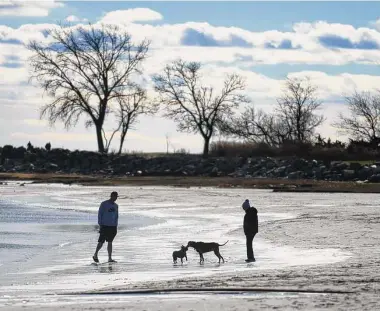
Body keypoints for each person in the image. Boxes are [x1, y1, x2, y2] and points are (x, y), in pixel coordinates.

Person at [93, 191, 119, 263]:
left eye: (116, 197)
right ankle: (95, 254)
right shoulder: (104, 204)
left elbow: (116, 216)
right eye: (115, 196)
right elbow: (100, 214)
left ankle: (110, 258)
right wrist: (100, 224)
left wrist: (116, 225)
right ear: (111, 196)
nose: (116, 198)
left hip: (113, 227)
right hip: (104, 226)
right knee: (101, 242)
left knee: (110, 242)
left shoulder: (116, 206)